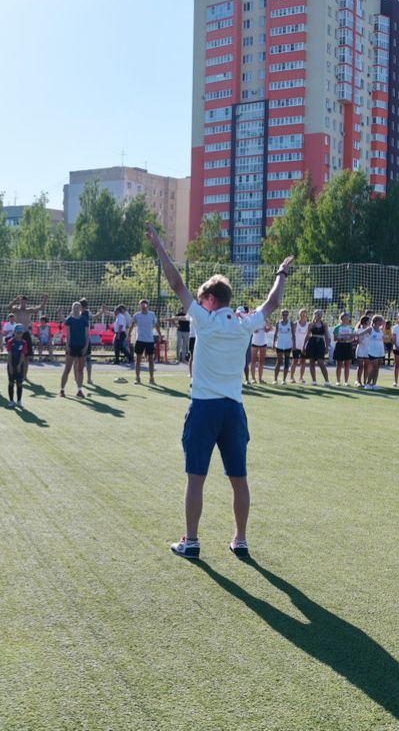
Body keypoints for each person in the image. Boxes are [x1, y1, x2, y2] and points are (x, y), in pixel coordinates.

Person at [146, 223, 293, 560]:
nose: (195, 305)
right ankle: (240, 539)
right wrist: (281, 273)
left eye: (200, 300)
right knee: (239, 479)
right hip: (233, 410)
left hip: (204, 409)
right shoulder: (243, 324)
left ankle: (192, 541)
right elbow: (272, 303)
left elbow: (175, 283)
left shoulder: (207, 321)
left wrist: (159, 246)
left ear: (210, 300)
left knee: (195, 478)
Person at [59, 301, 88, 398]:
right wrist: (67, 345)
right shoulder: (70, 320)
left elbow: (87, 335)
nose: (76, 309)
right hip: (71, 346)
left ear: (80, 309)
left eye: (77, 307)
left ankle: (79, 390)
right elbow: (68, 334)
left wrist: (85, 347)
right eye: (74, 307)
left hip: (81, 346)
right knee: (67, 369)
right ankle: (62, 390)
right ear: (72, 309)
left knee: (80, 370)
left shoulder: (84, 319)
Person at [130, 299, 161, 386]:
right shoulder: (136, 315)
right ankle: (137, 378)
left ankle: (151, 378)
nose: (143, 307)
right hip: (139, 340)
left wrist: (160, 335)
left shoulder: (152, 315)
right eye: (142, 305)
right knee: (138, 360)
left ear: (147, 306)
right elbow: (132, 326)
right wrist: (129, 335)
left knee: (151, 360)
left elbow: (156, 325)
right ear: (140, 306)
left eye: (145, 305)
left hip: (149, 341)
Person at [302, 309, 330, 384]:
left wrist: (327, 347)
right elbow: (307, 335)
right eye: (318, 314)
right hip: (312, 343)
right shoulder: (311, 324)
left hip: (320, 344)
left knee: (321, 362)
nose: (319, 316)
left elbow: (327, 336)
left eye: (320, 314)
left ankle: (327, 381)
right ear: (314, 315)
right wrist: (303, 346)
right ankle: (314, 381)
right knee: (312, 362)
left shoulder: (324, 324)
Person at [5, 324, 30, 409]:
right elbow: (9, 355)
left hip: (20, 364)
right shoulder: (10, 342)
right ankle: (11, 401)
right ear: (14, 332)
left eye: (20, 332)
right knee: (11, 382)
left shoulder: (24, 342)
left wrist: (19, 365)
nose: (19, 334)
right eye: (17, 332)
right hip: (12, 363)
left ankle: (19, 401)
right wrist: (11, 366)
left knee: (19, 383)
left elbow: (23, 355)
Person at [332, 312, 356, 387]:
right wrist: (342, 339)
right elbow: (335, 338)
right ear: (341, 318)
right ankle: (338, 381)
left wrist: (347, 340)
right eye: (345, 317)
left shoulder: (351, 328)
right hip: (340, 346)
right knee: (339, 364)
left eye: (347, 317)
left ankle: (346, 381)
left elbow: (353, 338)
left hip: (348, 346)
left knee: (347, 365)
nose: (346, 319)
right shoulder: (337, 327)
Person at [272, 309, 294, 384]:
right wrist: (273, 344)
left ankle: (284, 380)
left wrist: (294, 345)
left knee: (286, 361)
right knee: (279, 361)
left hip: (288, 345)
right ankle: (275, 379)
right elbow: (275, 334)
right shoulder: (278, 323)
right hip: (280, 345)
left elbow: (293, 335)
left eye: (286, 314)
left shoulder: (291, 323)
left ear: (288, 315)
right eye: (283, 314)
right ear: (281, 315)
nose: (285, 316)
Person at [248, 316, 271, 384]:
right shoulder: (254, 320)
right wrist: (254, 329)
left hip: (263, 342)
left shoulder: (265, 320)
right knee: (253, 361)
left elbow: (268, 329)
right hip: (255, 342)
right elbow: (251, 330)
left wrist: (268, 323)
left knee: (261, 362)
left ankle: (260, 379)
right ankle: (253, 378)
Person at [293, 309, 310, 383]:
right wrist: (293, 345)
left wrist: (305, 346)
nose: (303, 315)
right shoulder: (296, 323)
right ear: (299, 315)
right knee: (295, 361)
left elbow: (309, 335)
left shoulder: (308, 324)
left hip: (304, 347)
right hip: (296, 346)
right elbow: (293, 335)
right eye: (301, 314)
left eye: (304, 314)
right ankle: (291, 377)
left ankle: (301, 377)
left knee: (303, 362)